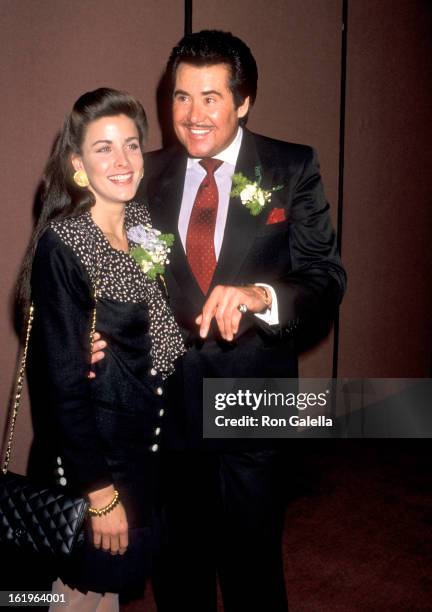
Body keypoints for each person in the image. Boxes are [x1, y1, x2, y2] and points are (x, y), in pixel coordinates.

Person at [92, 30, 346, 612]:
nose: (193, 115)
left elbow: (325, 279)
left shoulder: (291, 167)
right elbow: (106, 277)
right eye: (181, 97)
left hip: (255, 401)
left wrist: (260, 295)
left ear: (244, 100)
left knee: (253, 563)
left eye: (210, 97)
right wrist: (90, 329)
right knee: (178, 567)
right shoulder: (142, 176)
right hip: (168, 408)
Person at [17, 87, 184, 610]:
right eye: (104, 148)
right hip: (99, 463)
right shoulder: (64, 243)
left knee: (109, 592)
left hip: (142, 453)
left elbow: (164, 335)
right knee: (79, 595)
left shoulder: (143, 229)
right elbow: (65, 388)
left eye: (132, 145)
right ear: (77, 165)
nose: (123, 160)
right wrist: (98, 492)